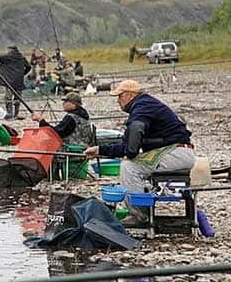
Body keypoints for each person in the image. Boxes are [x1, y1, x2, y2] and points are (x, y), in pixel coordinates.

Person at [83, 79, 195, 224]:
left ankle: (139, 215)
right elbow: (127, 144)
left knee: (129, 167)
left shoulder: (142, 108)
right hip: (176, 152)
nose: (118, 101)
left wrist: (130, 153)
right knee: (131, 163)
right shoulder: (145, 106)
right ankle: (141, 209)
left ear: (130, 95)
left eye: (120, 96)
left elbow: (135, 134)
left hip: (176, 153)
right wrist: (100, 149)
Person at [0, 45, 31, 120]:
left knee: (8, 98)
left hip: (10, 81)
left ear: (10, 50)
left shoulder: (8, 56)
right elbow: (29, 67)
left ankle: (10, 115)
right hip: (19, 81)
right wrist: (23, 74)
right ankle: (16, 114)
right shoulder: (21, 57)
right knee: (18, 98)